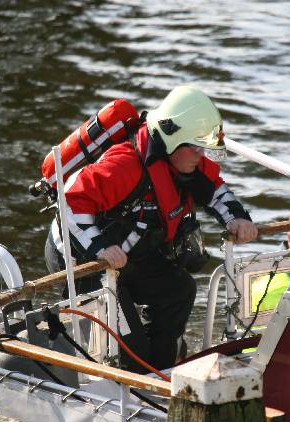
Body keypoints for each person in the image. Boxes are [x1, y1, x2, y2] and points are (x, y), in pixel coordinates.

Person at [44, 86, 258, 372]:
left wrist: (237, 218)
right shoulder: (124, 166)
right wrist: (100, 249)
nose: (201, 154)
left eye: (204, 146)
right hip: (82, 258)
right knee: (130, 350)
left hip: (131, 254)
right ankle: (135, 375)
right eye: (196, 147)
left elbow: (215, 191)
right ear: (172, 140)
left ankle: (163, 373)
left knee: (179, 290)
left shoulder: (187, 161)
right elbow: (69, 202)